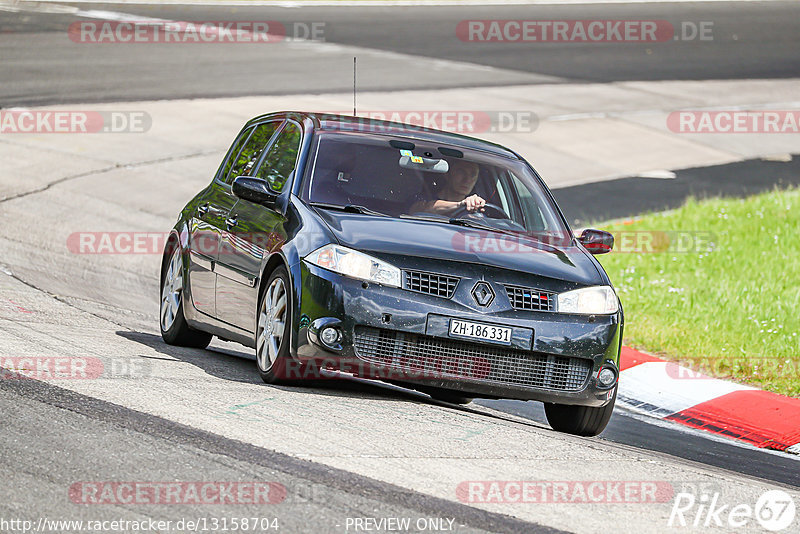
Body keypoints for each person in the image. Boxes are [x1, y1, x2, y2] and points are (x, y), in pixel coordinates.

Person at [409, 159, 486, 215]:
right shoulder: (422, 198)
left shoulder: (475, 208)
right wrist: (460, 205)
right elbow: (419, 210)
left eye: (473, 175)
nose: (467, 180)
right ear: (447, 174)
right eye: (461, 172)